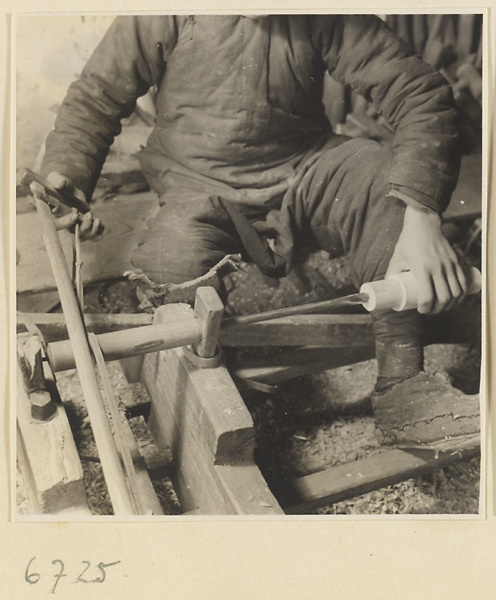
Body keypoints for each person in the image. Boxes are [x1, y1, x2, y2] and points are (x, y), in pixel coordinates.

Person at [40, 14, 479, 448]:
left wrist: (421, 217)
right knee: (171, 262)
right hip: (198, 183)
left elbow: (420, 92)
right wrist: (68, 175)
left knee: (386, 183)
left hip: (302, 169)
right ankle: (206, 391)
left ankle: (402, 388)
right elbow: (96, 98)